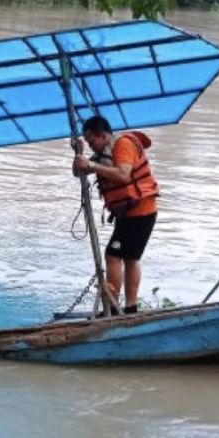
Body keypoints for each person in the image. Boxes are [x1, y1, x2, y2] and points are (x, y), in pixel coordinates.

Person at [71, 115, 160, 314]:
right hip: (128, 213)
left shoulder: (123, 145)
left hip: (140, 211)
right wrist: (79, 153)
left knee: (113, 255)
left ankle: (113, 307)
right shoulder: (104, 152)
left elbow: (123, 174)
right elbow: (79, 172)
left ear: (102, 135)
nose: (92, 147)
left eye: (92, 142)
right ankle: (129, 308)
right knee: (129, 257)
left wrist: (91, 165)